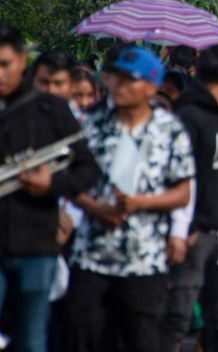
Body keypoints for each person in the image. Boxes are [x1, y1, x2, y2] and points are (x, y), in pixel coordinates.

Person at [68, 47, 194, 352]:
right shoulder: (91, 124)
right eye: (116, 79)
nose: (119, 87)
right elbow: (70, 181)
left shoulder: (170, 131)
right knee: (85, 339)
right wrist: (94, 207)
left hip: (144, 261)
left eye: (130, 80)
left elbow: (183, 192)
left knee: (142, 340)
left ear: (151, 87)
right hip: (92, 257)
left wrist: (141, 204)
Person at [0, 23, 99, 352]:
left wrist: (51, 184)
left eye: (5, 64)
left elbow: (87, 170)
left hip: (36, 245)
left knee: (32, 340)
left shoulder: (51, 110)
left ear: (22, 62)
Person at [160, 46, 218, 352]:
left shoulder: (215, 115)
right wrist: (186, 226)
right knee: (178, 315)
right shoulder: (188, 116)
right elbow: (178, 175)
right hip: (194, 234)